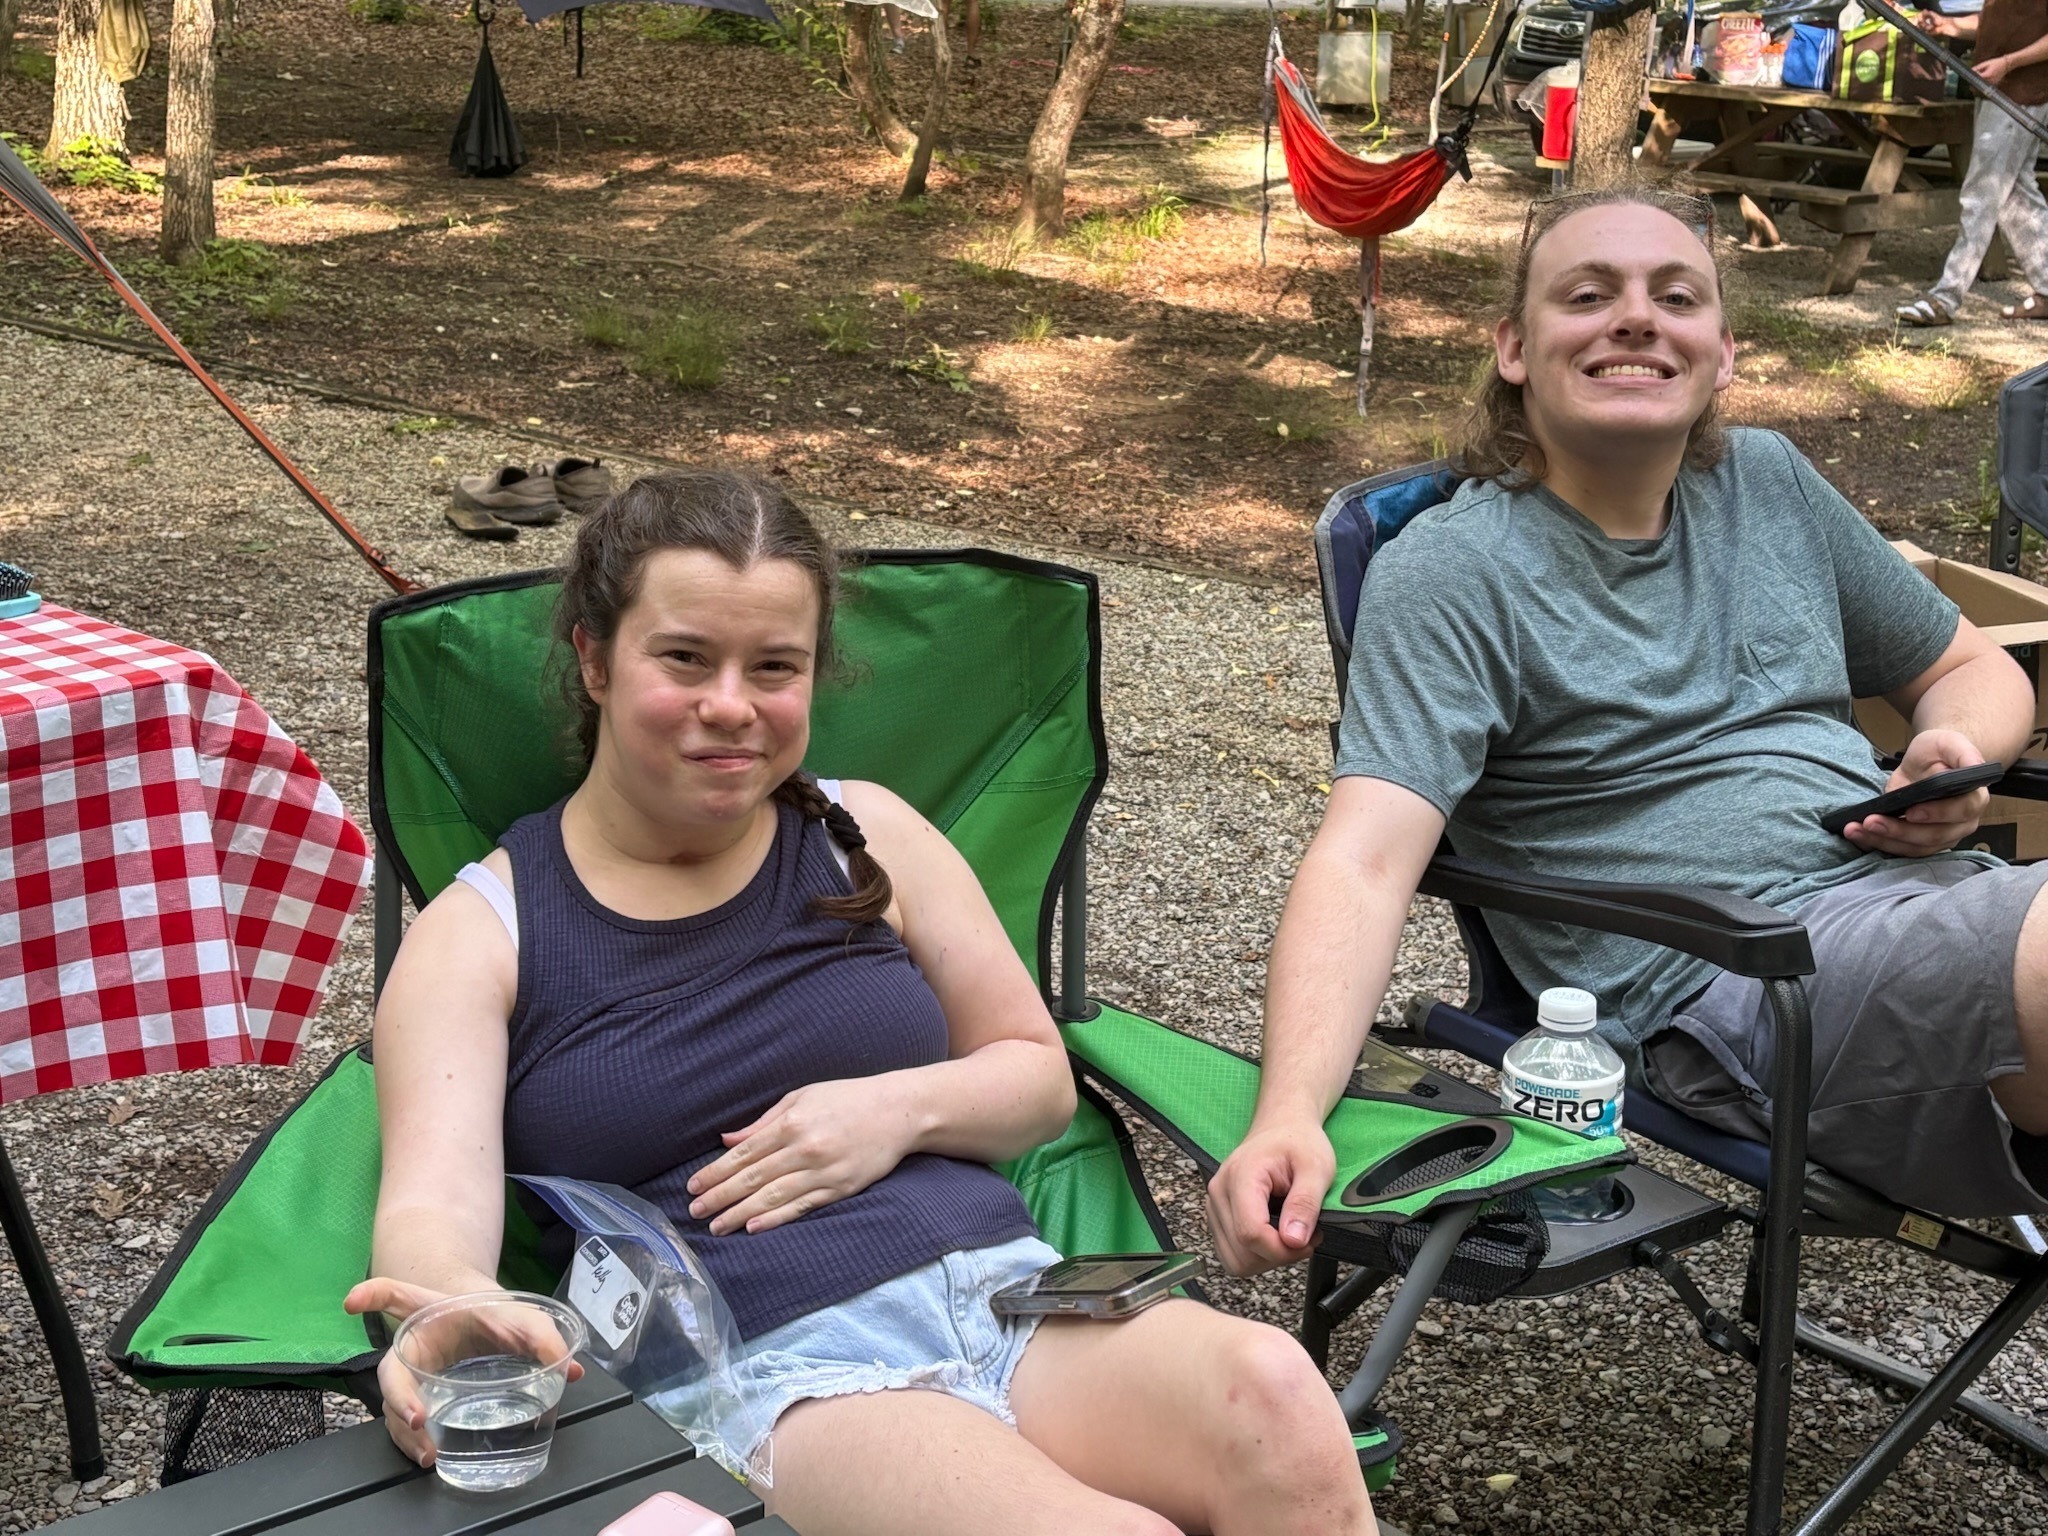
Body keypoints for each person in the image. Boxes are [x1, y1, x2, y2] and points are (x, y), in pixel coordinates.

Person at [344, 470, 1375, 1536]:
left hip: (1013, 1296)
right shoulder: (484, 934)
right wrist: (455, 1305)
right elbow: (430, 1209)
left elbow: (1031, 1073)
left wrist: (887, 1111)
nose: (732, 706)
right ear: (595, 658)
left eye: (774, 667)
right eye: (685, 658)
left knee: (1280, 1397)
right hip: (773, 1363)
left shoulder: (864, 830)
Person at [1209, 186, 2048, 1279]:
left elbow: (1966, 664)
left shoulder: (1768, 483)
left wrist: (1954, 758)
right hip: (1744, 988)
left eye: (1674, 294)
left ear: (1721, 351)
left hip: (1940, 912)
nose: (1636, 317)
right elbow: (1365, 859)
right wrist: (1288, 1114)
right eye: (1587, 293)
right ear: (1512, 348)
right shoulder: (1454, 571)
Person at [1896, 1, 2048, 324]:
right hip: (1996, 89)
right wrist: (1947, 26)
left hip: (2020, 94)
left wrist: (2008, 63)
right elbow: (1997, 21)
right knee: (2015, 194)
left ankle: (1944, 298)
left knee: (1982, 192)